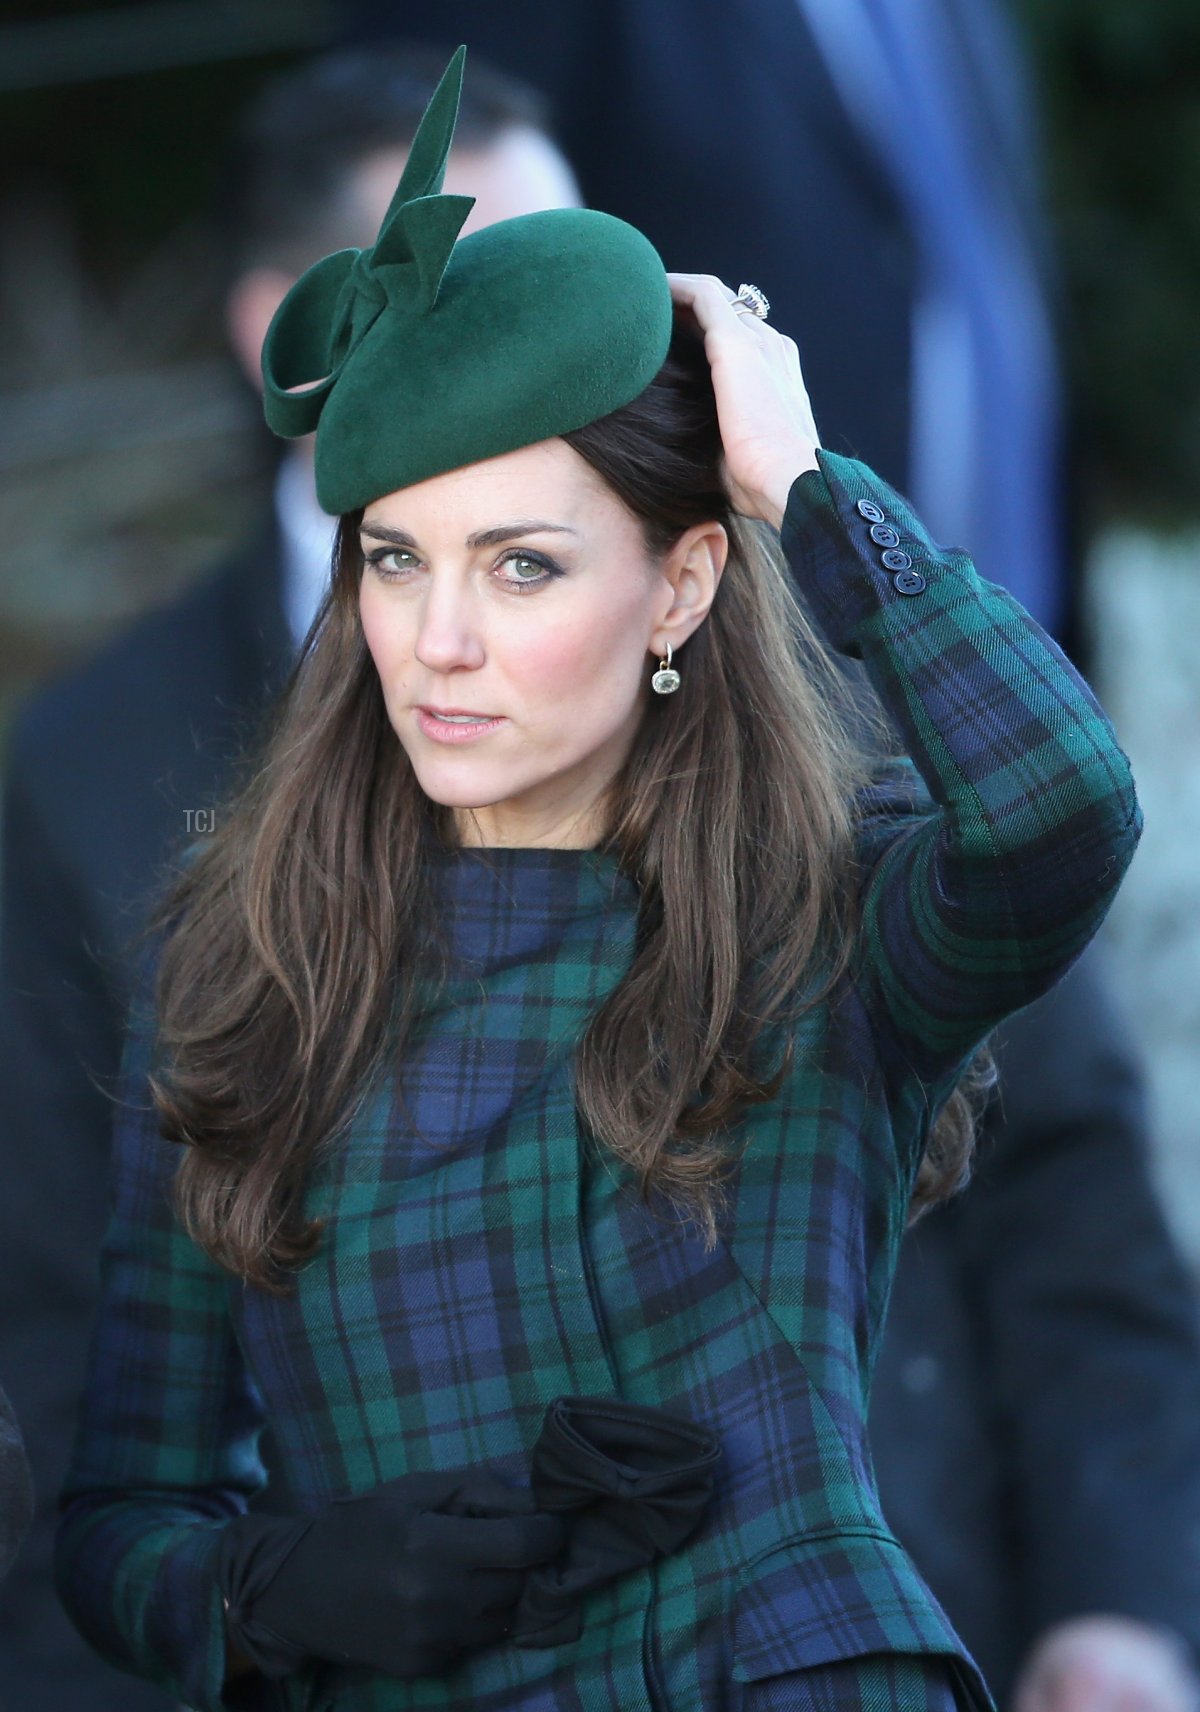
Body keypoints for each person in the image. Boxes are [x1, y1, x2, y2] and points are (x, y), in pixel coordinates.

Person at [53, 47, 1140, 1712]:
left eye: (525, 564)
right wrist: (273, 1586)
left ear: (685, 584)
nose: (443, 641)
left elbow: (1064, 803)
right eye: (396, 558)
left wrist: (802, 483)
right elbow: (120, 1520)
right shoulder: (244, 960)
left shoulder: (826, 914)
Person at [0, 45, 581, 1711]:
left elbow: (1045, 1180)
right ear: (287, 335)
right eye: (494, 288)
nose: (574, 343)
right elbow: (57, 1350)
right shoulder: (91, 765)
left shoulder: (746, 646)